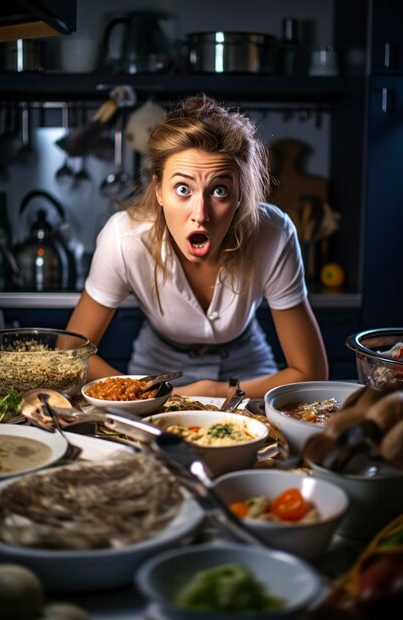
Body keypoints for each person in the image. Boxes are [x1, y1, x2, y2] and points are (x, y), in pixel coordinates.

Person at [66, 94, 328, 398]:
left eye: (219, 190)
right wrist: (142, 393)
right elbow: (71, 351)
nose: (200, 214)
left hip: (248, 372)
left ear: (240, 194)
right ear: (159, 190)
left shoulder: (273, 233)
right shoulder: (123, 238)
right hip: (156, 372)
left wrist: (218, 390)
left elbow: (310, 371)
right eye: (182, 189)